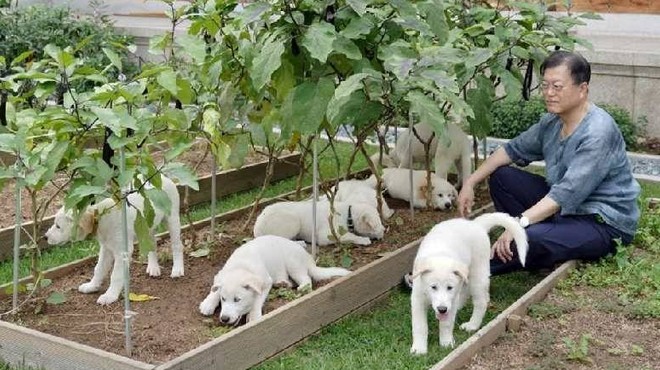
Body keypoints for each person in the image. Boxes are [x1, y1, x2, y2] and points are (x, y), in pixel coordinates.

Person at [456, 50, 641, 275]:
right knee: (502, 178)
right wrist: (471, 182)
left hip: (601, 223)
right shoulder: (553, 122)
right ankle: (543, 249)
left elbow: (565, 194)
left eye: (557, 86)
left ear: (582, 89)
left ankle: (456, 272)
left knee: (529, 237)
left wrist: (518, 223)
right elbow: (512, 149)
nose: (549, 93)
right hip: (565, 211)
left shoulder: (597, 132)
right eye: (545, 86)